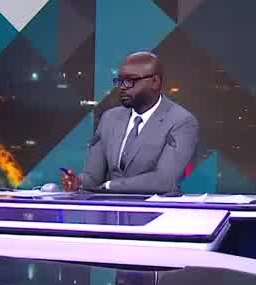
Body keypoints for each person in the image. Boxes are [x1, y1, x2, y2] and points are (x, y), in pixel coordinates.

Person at [61, 52, 199, 194]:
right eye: (120, 81)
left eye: (130, 81)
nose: (122, 87)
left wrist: (110, 186)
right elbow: (93, 178)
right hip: (110, 206)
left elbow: (165, 181)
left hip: (154, 206)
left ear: (155, 81)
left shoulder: (182, 121)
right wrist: (78, 183)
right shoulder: (109, 118)